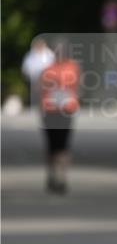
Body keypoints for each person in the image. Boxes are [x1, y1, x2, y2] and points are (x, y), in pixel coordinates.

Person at [36, 40, 80, 194]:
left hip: (63, 111)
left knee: (61, 146)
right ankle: (53, 176)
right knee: (53, 146)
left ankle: (61, 177)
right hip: (51, 111)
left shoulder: (70, 68)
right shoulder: (50, 69)